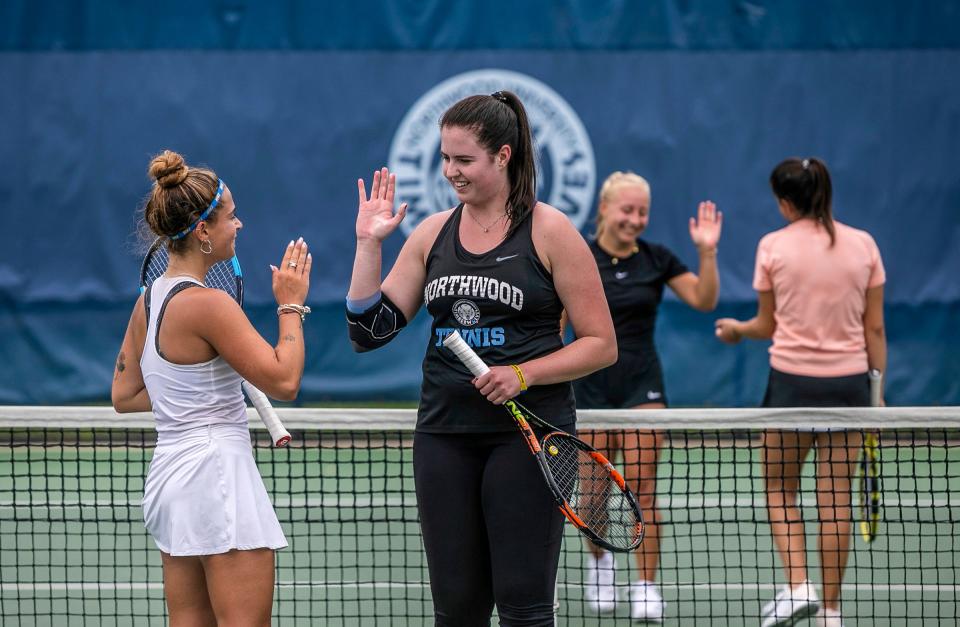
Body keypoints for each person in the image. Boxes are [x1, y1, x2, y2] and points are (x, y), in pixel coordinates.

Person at [346, 91, 617, 626]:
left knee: (523, 604)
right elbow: (368, 332)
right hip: (444, 436)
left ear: (504, 155)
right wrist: (367, 243)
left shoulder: (551, 232)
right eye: (445, 159)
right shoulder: (432, 233)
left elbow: (600, 344)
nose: (451, 171)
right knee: (458, 608)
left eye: (464, 160)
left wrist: (523, 374)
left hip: (532, 437)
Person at [111, 150, 312, 627]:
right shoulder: (211, 305)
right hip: (217, 476)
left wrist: (196, 394)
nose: (238, 225)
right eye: (231, 216)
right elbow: (284, 380)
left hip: (172, 481)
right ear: (202, 230)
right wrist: (291, 306)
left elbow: (125, 395)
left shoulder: (149, 300)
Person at [715, 157, 886, 627]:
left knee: (777, 487)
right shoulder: (864, 245)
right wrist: (878, 393)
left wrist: (736, 330)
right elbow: (874, 328)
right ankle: (829, 613)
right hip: (850, 387)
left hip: (791, 385)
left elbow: (767, 326)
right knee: (835, 501)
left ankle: (799, 585)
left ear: (786, 201)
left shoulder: (772, 246)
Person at [572, 171, 722, 621]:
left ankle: (646, 586)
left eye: (642, 212)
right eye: (627, 210)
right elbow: (556, 322)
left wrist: (708, 252)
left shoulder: (657, 258)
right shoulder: (577, 255)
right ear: (603, 208)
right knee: (591, 497)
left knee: (642, 492)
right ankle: (600, 564)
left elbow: (705, 299)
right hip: (589, 386)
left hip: (643, 386)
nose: (635, 220)